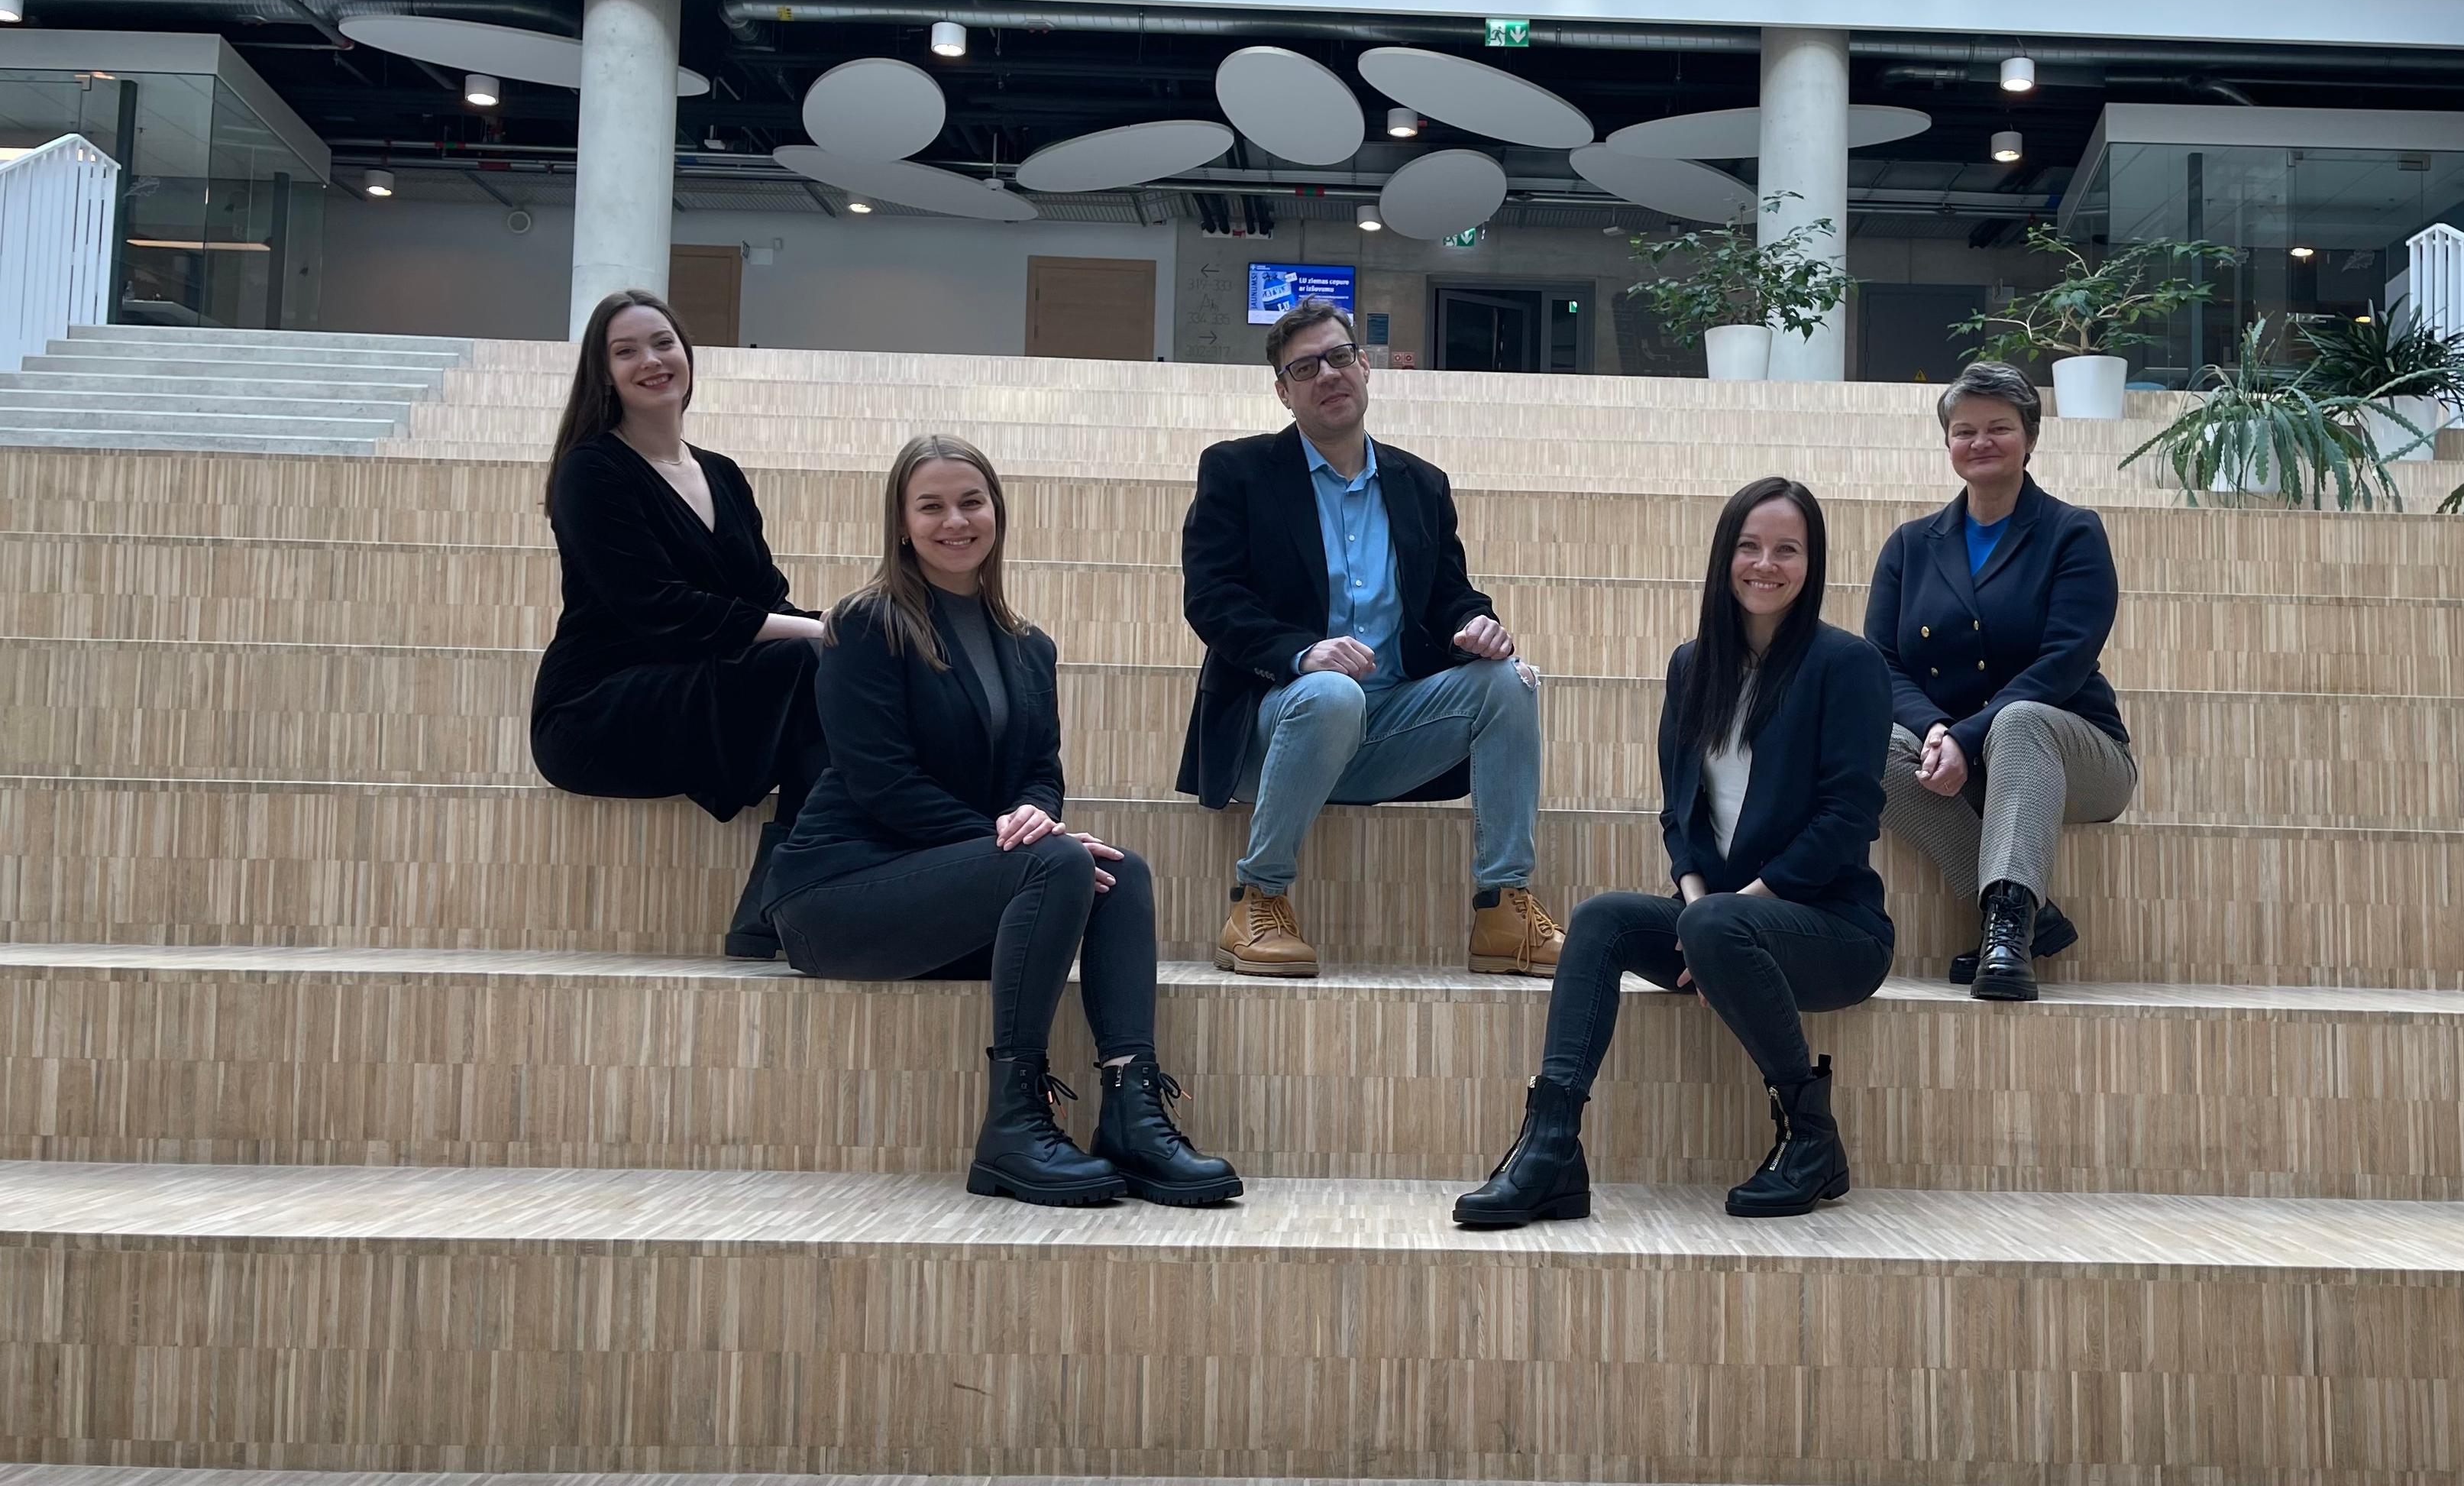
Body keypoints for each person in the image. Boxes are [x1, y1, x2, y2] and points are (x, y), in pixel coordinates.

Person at [765, 435, 1240, 1210]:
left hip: (949, 894)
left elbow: (1039, 771)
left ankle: (1129, 1108)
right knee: (1052, 862)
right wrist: (1023, 841)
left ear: (997, 513)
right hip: (838, 896)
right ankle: (1015, 1125)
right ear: (901, 522)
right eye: (931, 506)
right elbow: (880, 783)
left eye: (971, 501)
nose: (955, 520)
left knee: (1121, 873)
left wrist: (1036, 816)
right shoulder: (864, 624)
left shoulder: (1029, 647)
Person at [1457, 477, 1893, 1227]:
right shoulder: (1694, 665)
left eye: (1787, 550)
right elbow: (1678, 813)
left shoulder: (1846, 666)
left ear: (1812, 563)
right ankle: (1553, 1146)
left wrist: (1724, 916)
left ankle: (1812, 1137)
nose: (1766, 563)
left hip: (1834, 932)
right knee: (1599, 921)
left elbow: (1847, 818)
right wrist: (1697, 907)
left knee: (1717, 926)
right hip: (1718, 923)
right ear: (1725, 556)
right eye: (1749, 546)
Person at [1176, 298, 1565, 980]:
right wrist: (1303, 654)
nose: (1327, 374)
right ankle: (1258, 898)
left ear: (1364, 367)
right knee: (1330, 693)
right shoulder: (1238, 472)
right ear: (1283, 390)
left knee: (1511, 681)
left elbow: (1450, 595)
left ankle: (1503, 908)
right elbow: (1213, 599)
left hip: (1389, 727)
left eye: (1338, 357)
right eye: (1304, 367)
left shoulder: (1421, 483)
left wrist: (1479, 625)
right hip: (1280, 721)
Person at [531, 289, 826, 961]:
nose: (651, 360)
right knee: (816, 665)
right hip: (598, 708)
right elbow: (657, 610)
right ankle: (781, 894)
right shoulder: (592, 470)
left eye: (663, 343)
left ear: (687, 354)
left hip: (694, 687)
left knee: (849, 664)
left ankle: (772, 903)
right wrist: (814, 634)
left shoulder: (721, 474)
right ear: (603, 374)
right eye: (626, 350)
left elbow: (764, 596)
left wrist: (840, 625)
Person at [1867, 360, 2135, 1004]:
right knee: (1859, 742)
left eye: (1999, 428)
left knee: (2018, 720)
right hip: (1957, 755)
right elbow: (1882, 662)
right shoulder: (1910, 545)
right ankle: (2030, 916)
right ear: (1949, 444)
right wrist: (1935, 731)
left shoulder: (2072, 532)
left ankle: (2009, 929)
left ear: (2031, 438)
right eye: (1965, 431)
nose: (1980, 442)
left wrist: (1966, 734)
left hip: (2072, 753)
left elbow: (2065, 661)